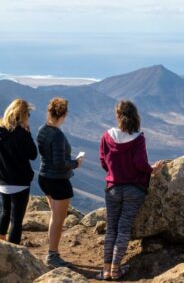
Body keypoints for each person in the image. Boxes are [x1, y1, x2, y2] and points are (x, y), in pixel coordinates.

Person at [98, 100, 163, 280]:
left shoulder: (106, 136)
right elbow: (140, 164)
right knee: (124, 228)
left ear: (118, 116)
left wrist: (114, 173)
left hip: (113, 188)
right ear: (135, 116)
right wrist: (153, 170)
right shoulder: (138, 138)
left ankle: (105, 270)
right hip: (134, 189)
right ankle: (116, 269)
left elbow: (103, 161)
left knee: (112, 228)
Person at [37, 97, 83, 268]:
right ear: (64, 114)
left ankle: (52, 252)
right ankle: (52, 256)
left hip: (44, 178)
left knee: (54, 218)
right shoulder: (57, 135)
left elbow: (48, 157)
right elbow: (59, 162)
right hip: (58, 181)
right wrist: (76, 163)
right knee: (58, 220)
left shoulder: (42, 129)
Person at [0, 99, 37, 244]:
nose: (28, 116)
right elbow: (33, 155)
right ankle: (13, 252)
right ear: (22, 115)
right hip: (20, 182)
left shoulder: (1, 132)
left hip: (2, 181)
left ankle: (1, 247)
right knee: (16, 220)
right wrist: (28, 134)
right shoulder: (22, 133)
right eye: (28, 113)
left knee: (4, 213)